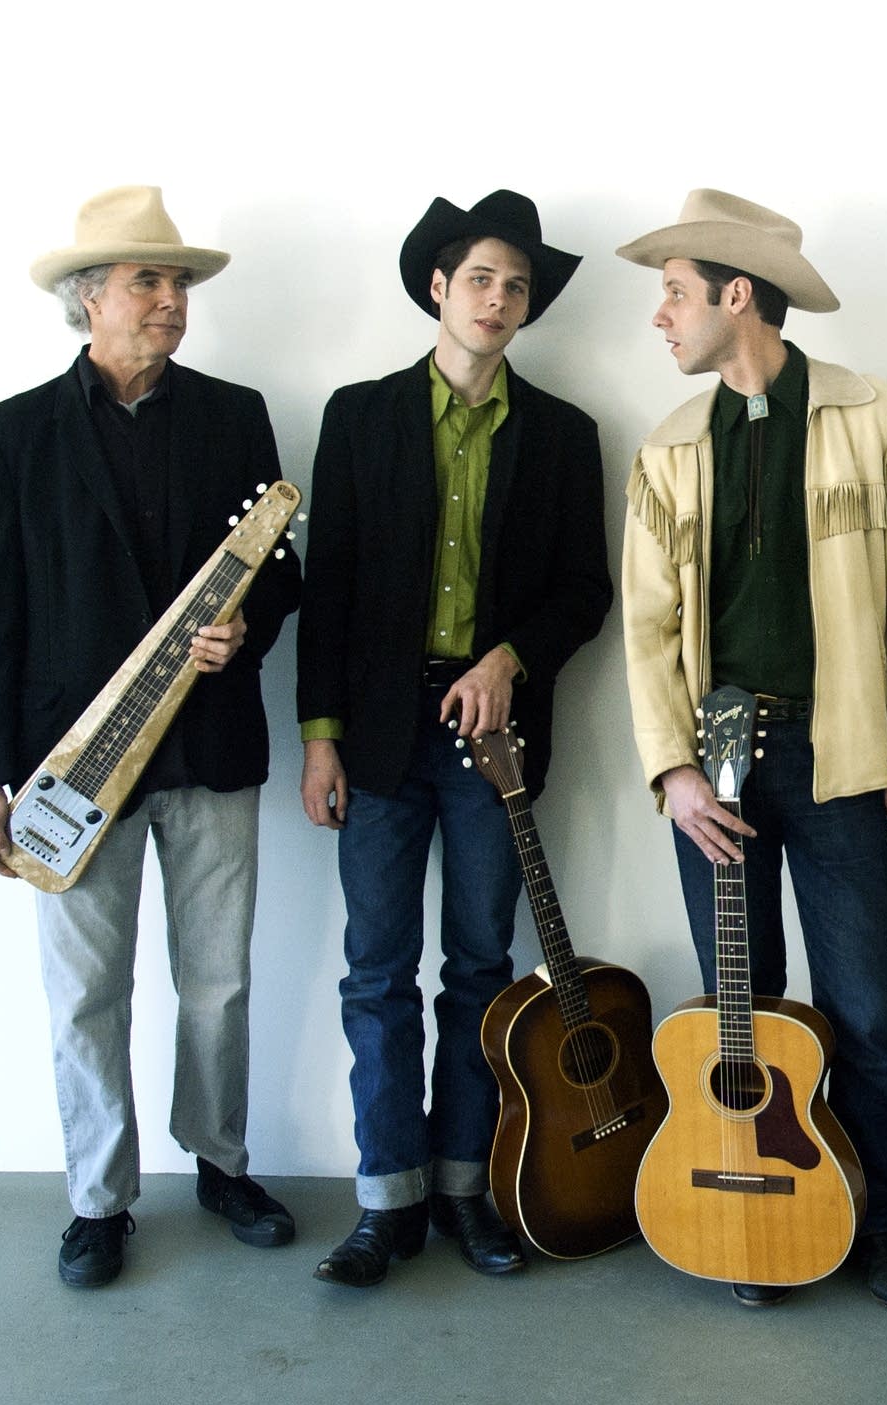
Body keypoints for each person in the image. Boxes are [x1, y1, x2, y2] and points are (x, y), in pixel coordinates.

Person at [0, 185, 303, 1288]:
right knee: (87, 995)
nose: (172, 301)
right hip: (71, 772)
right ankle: (98, 1202)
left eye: (179, 284)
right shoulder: (10, 436)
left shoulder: (235, 414)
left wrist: (248, 625)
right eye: (148, 282)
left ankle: (220, 1162)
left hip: (210, 753)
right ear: (87, 299)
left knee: (218, 984)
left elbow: (285, 566)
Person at [617, 189, 887, 1311]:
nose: (660, 318)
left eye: (673, 295)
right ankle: (755, 1215)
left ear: (735, 294)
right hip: (713, 758)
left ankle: (875, 1227)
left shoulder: (874, 416)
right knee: (739, 1004)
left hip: (842, 750)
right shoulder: (667, 448)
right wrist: (668, 768)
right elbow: (648, 625)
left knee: (866, 1008)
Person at [297, 190, 611, 1287]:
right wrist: (321, 738)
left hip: (497, 738)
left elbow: (587, 590)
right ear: (437, 287)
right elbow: (326, 587)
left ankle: (467, 1190)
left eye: (515, 285)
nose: (497, 299)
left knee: (480, 969)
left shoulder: (565, 435)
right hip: (379, 737)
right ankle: (386, 1201)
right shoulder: (359, 416)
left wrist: (507, 661)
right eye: (479, 278)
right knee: (376, 970)